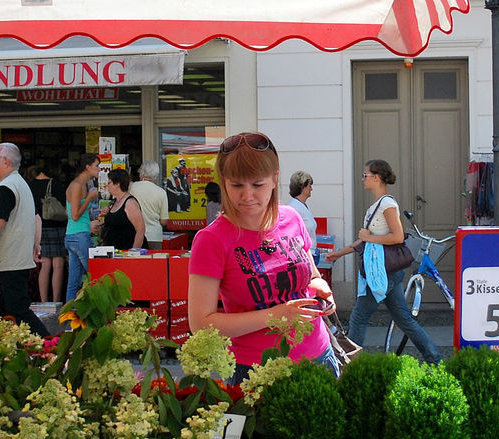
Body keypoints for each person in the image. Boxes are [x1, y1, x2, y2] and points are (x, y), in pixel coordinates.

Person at [188, 132, 339, 384]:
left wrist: (320, 287)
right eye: (237, 185)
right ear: (224, 183)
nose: (247, 196)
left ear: (274, 179)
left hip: (319, 353)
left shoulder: (292, 218)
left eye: (257, 184)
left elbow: (311, 274)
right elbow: (201, 324)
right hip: (257, 370)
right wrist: (277, 315)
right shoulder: (211, 240)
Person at [325, 159, 441, 363]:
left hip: (381, 272)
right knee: (403, 319)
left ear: (376, 177)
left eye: (365, 175)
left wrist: (368, 237)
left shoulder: (387, 204)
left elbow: (397, 237)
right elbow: (365, 237)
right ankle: (434, 358)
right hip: (386, 272)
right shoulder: (378, 205)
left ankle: (348, 366)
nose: (363, 179)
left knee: (359, 318)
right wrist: (340, 253)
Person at [0, 142, 49, 337]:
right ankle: (0, 349)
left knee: (17, 310)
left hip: (7, 261)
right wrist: (35, 246)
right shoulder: (21, 184)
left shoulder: (5, 188)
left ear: (5, 161)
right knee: (0, 312)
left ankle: (49, 344)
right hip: (14, 260)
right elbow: (37, 219)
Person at [29, 162, 66, 303]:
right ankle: (56, 300)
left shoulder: (30, 185)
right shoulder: (54, 184)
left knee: (44, 265)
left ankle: (43, 301)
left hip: (39, 227)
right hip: (56, 227)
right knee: (58, 265)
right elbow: (63, 205)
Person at [65, 153, 100, 302]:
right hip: (79, 236)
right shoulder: (77, 185)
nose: (99, 169)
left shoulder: (82, 185)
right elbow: (74, 214)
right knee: (95, 276)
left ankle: (68, 316)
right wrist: (90, 199)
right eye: (96, 166)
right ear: (87, 167)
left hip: (74, 235)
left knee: (74, 280)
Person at [102, 169, 147, 250]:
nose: (107, 186)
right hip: (115, 251)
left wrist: (134, 252)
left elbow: (140, 229)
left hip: (127, 251)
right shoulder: (115, 201)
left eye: (109, 183)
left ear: (117, 184)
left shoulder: (130, 203)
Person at [129, 160, 169, 250]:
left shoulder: (131, 187)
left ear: (141, 172)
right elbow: (164, 221)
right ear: (156, 175)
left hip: (134, 235)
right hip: (154, 236)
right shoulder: (161, 192)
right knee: (154, 263)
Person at [287, 171, 317, 250]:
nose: (311, 189)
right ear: (302, 187)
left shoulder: (302, 206)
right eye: (309, 186)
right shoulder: (293, 207)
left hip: (310, 253)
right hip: (302, 255)